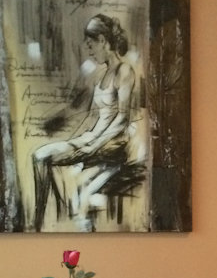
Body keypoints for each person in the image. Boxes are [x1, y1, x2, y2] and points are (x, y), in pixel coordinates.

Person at [32, 14, 139, 231]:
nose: (89, 51)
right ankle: (40, 219)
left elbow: (122, 119)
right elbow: (85, 112)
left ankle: (48, 220)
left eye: (91, 45)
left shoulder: (124, 71)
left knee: (48, 161)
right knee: (39, 156)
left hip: (111, 145)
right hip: (91, 139)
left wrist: (94, 144)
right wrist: (73, 134)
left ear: (103, 41)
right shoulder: (100, 74)